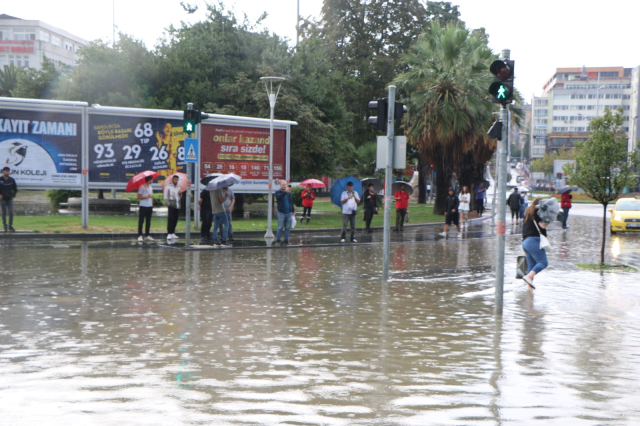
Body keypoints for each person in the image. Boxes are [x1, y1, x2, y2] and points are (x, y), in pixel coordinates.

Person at [521, 197, 549, 289]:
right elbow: (542, 226)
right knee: (543, 262)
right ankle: (528, 277)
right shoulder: (539, 212)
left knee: (531, 266)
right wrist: (548, 220)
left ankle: (529, 289)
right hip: (534, 241)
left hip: (525, 242)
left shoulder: (528, 212)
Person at [275, 180, 296, 245]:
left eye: (285, 184)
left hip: (289, 213)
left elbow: (291, 202)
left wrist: (293, 210)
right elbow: (278, 197)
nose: (284, 186)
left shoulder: (289, 193)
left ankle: (286, 241)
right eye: (283, 184)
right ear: (280, 185)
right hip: (281, 212)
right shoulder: (278, 192)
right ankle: (278, 241)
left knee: (287, 227)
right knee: (280, 227)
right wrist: (285, 192)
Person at [163, 174, 181, 241]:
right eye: (175, 179)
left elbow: (179, 197)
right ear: (172, 179)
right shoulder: (168, 187)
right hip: (171, 204)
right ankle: (169, 233)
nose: (176, 181)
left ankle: (173, 232)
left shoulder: (178, 187)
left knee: (175, 219)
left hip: (177, 204)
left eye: (177, 180)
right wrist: (169, 204)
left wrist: (180, 194)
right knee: (171, 219)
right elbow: (165, 197)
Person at [137, 175, 155, 242]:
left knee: (148, 221)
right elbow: (138, 196)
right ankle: (140, 235)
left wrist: (152, 204)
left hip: (149, 206)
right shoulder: (142, 187)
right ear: (149, 180)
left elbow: (151, 196)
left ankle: (147, 235)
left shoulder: (150, 187)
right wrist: (146, 196)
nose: (152, 181)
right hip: (143, 206)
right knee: (141, 221)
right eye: (151, 179)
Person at [0, 166, 17, 232]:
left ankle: (10, 226)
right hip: (2, 199)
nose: (7, 172)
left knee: (11, 212)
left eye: (8, 171)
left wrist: (13, 195)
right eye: (6, 171)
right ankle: (5, 226)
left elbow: (15, 189)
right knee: (4, 213)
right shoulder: (0, 179)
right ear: (3, 171)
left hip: (10, 199)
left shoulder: (12, 180)